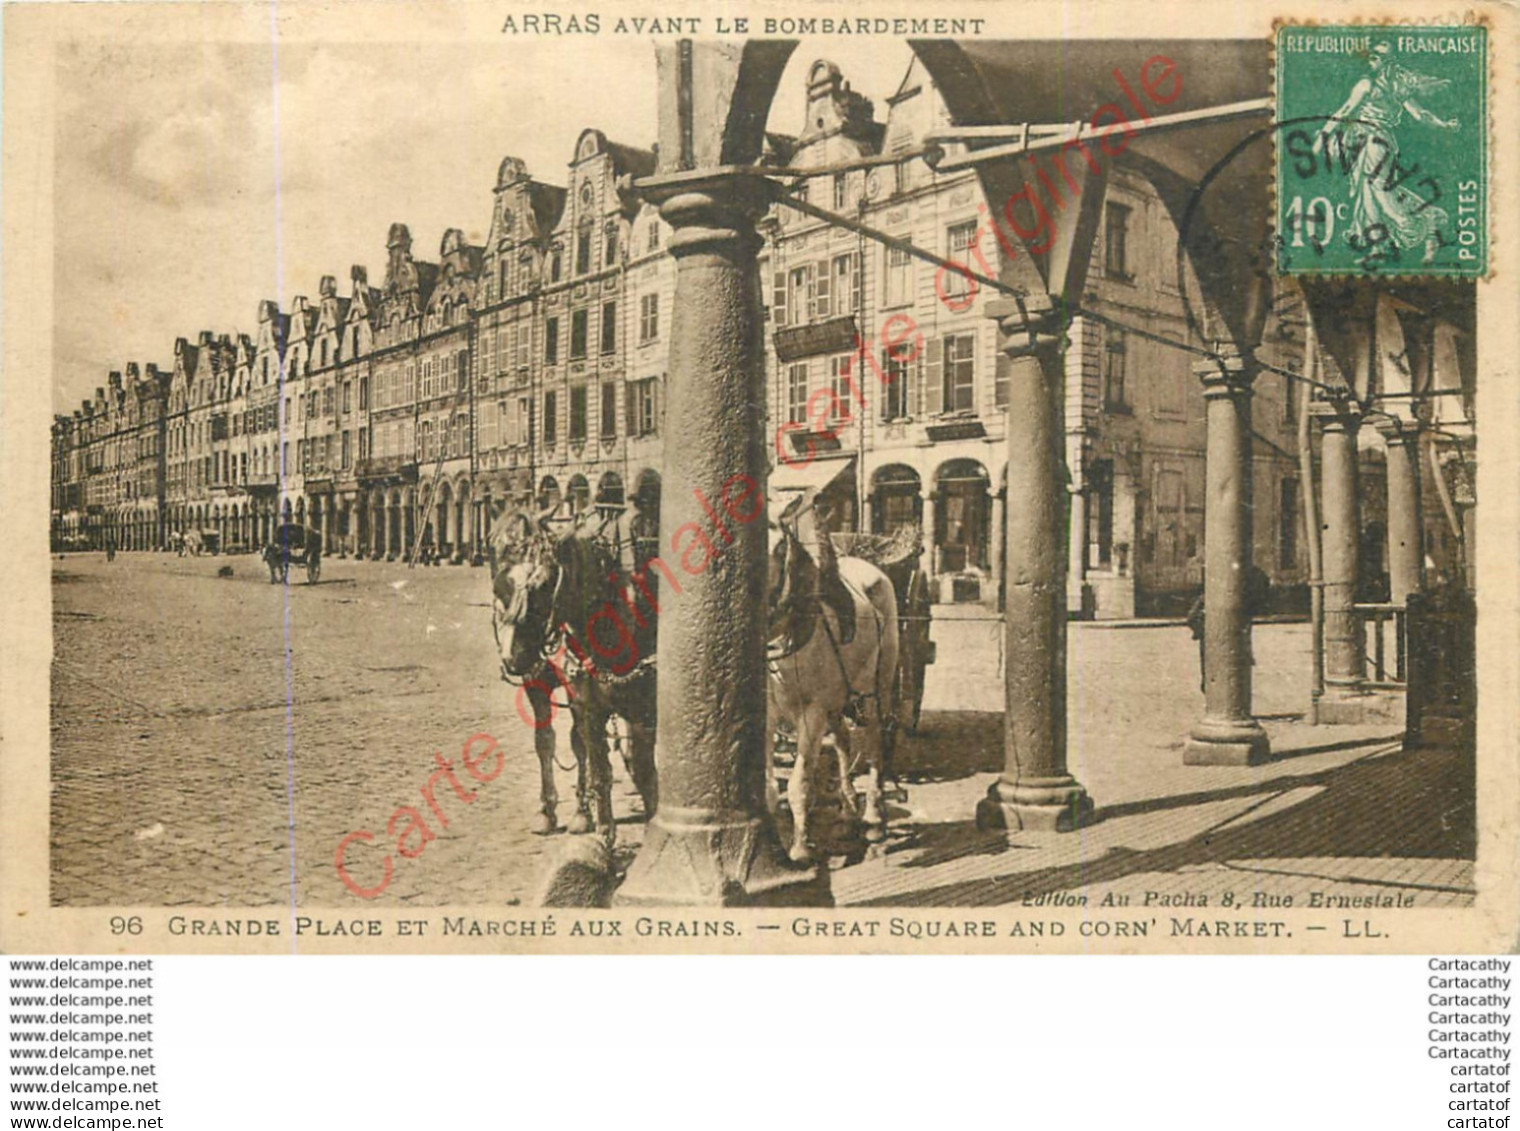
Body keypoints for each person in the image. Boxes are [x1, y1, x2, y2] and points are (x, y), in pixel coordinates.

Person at [1314, 41, 1460, 265]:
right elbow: (1421, 114)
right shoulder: (1398, 87)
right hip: (1381, 141)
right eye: (1371, 55)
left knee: (1379, 191)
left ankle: (1420, 222)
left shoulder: (1367, 84)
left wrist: (1323, 136)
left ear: (1386, 62)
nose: (1371, 59)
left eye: (1376, 56)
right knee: (1369, 191)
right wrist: (1444, 125)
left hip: (1371, 140)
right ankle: (1377, 246)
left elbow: (1344, 111)